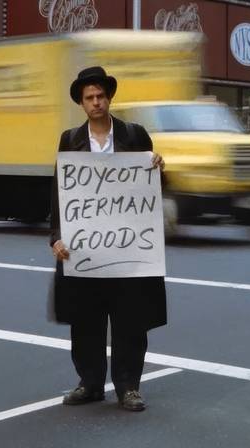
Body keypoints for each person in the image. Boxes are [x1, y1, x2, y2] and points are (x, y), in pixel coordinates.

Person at [50, 66, 167, 412]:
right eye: (89, 97)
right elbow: (59, 192)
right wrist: (56, 237)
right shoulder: (70, 139)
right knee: (85, 319)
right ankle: (90, 383)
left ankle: (128, 387)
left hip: (128, 246)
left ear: (109, 97)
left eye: (100, 95)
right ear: (81, 103)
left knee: (130, 319)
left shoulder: (134, 135)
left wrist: (159, 166)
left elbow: (150, 188)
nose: (96, 102)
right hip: (85, 247)